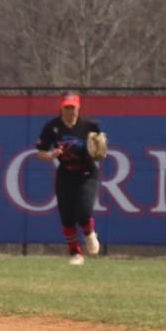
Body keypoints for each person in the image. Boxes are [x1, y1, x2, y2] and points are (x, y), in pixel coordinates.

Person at [35, 92, 105, 265]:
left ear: (78, 108)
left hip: (87, 173)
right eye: (66, 108)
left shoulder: (89, 125)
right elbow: (41, 153)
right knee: (66, 216)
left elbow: (100, 151)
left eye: (72, 107)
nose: (70, 111)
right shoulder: (53, 127)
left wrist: (98, 152)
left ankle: (89, 232)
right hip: (66, 173)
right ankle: (75, 253)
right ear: (61, 108)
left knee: (83, 213)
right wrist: (51, 155)